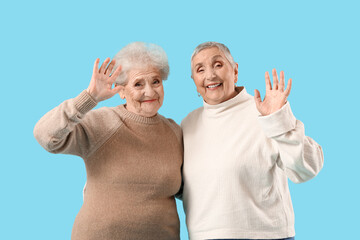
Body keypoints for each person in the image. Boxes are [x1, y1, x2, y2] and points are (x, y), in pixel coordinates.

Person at [33, 42, 183, 240]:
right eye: (138, 84)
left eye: (156, 81)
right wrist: (89, 97)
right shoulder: (102, 122)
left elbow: (190, 188)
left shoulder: (174, 132)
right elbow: (45, 135)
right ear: (121, 91)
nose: (150, 91)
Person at [181, 42, 324, 240]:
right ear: (193, 80)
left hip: (265, 235)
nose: (210, 75)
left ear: (235, 70)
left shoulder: (265, 111)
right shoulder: (187, 124)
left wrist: (278, 120)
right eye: (200, 69)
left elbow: (308, 168)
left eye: (218, 64)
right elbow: (183, 186)